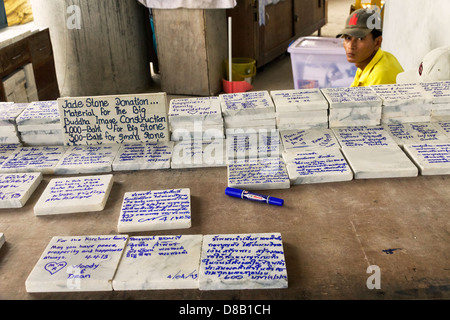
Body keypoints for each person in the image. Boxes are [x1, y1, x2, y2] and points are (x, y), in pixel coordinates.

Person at [336, 7, 404, 87]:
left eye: (360, 38)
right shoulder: (365, 62)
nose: (351, 46)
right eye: (348, 38)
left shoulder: (380, 76)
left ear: (377, 42)